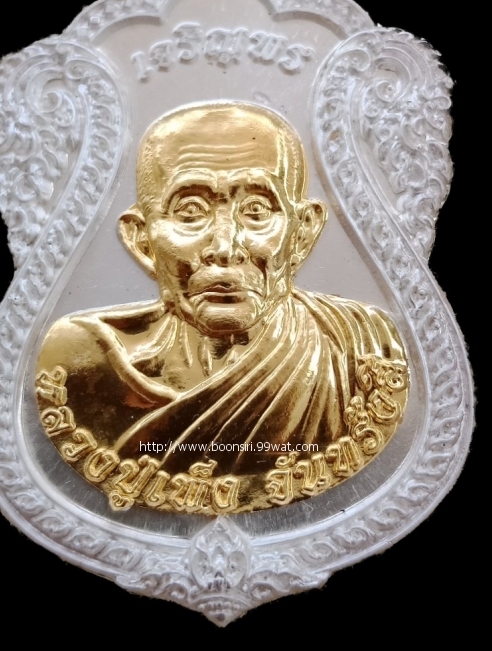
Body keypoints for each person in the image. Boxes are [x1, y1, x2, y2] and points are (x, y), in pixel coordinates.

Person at [36, 102, 408, 509]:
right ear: (142, 241)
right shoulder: (87, 363)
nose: (225, 247)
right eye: (190, 212)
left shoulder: (362, 349)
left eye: (257, 211)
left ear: (302, 234)